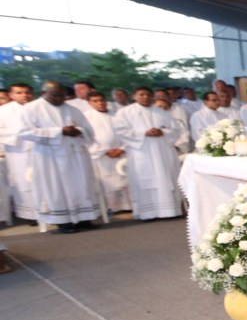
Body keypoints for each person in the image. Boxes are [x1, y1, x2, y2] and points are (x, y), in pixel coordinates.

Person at [19, 82, 101, 233]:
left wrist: (79, 131)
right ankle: (63, 222)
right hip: (50, 157)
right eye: (55, 95)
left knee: (81, 185)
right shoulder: (31, 109)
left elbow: (88, 130)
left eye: (62, 95)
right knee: (56, 188)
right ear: (43, 93)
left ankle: (84, 219)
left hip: (76, 155)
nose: (59, 98)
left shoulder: (73, 109)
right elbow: (25, 132)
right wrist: (59, 131)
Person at [115, 86, 184, 221]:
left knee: (164, 178)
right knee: (144, 180)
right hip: (141, 152)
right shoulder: (125, 112)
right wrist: (143, 133)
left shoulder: (162, 112)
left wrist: (162, 132)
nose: (145, 97)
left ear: (152, 96)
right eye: (141, 94)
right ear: (134, 96)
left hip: (162, 152)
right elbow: (120, 130)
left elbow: (176, 130)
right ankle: (147, 213)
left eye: (148, 94)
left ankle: (168, 211)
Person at [84, 91, 131, 213]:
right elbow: (86, 138)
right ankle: (112, 208)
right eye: (95, 101)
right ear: (89, 103)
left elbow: (127, 133)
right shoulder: (86, 118)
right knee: (106, 184)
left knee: (125, 180)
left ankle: (128, 206)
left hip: (121, 153)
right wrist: (104, 151)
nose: (100, 103)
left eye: (102, 100)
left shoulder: (117, 115)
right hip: (101, 155)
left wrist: (122, 148)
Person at [0, 83, 38, 223]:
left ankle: (50, 211)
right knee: (24, 182)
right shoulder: (3, 111)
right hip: (18, 152)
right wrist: (19, 133)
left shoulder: (39, 108)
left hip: (40, 150)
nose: (24, 95)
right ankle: (31, 215)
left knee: (44, 180)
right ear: (11, 95)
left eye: (27, 92)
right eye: (19, 92)